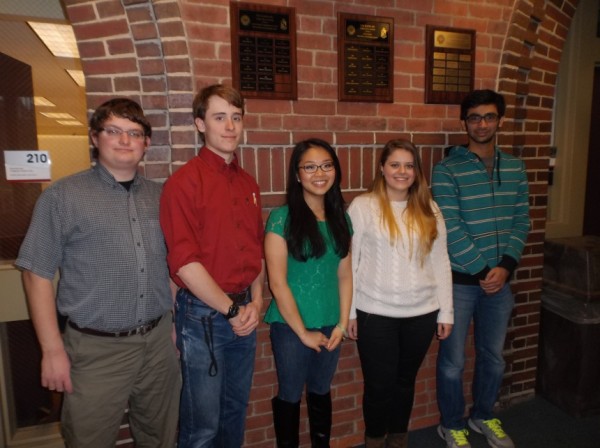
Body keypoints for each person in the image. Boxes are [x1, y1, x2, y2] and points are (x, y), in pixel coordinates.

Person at [15, 98, 180, 447]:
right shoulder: (63, 197)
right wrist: (52, 349)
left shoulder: (161, 196)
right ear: (95, 137)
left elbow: (172, 265)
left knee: (161, 436)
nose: (124, 140)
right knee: (89, 439)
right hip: (95, 351)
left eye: (134, 133)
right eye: (113, 131)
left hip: (157, 344)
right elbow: (36, 274)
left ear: (146, 143)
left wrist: (173, 322)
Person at [159, 84, 265, 448]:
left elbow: (256, 250)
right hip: (203, 316)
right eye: (220, 117)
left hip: (243, 313)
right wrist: (232, 310)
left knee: (235, 411)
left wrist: (258, 300)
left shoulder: (249, 183)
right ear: (200, 124)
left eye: (236, 118)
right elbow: (185, 264)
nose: (230, 127)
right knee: (202, 424)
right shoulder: (183, 183)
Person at [431, 89, 530, 448]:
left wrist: (504, 268)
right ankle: (452, 423)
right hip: (459, 284)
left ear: (499, 120)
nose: (482, 123)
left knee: (493, 357)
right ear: (465, 123)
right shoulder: (446, 170)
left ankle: (484, 414)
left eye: (489, 116)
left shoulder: (516, 167)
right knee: (453, 361)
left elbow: (522, 220)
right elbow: (449, 228)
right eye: (475, 117)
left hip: (500, 283)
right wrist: (485, 270)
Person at [347, 139, 454, 448]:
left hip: (422, 313)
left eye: (409, 165)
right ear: (382, 168)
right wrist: (351, 311)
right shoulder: (363, 206)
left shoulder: (429, 208)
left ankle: (398, 439)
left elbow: (440, 260)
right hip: (374, 314)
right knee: (379, 386)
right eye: (395, 164)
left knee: (405, 383)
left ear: (416, 171)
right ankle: (375, 440)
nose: (402, 171)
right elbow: (350, 262)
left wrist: (446, 311)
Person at [264, 138, 352, 448]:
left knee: (320, 388)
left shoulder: (342, 217)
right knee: (290, 392)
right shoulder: (281, 218)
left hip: (330, 321)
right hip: (291, 326)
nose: (320, 173)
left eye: (327, 165)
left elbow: (344, 274)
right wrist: (302, 332)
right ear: (298, 174)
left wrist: (342, 323)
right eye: (310, 166)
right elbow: (277, 283)